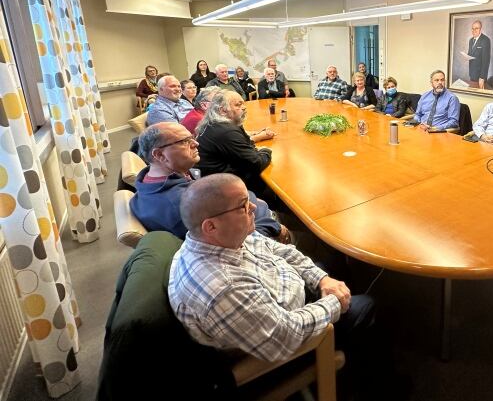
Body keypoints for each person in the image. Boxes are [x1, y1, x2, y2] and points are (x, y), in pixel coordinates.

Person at [168, 174, 374, 365]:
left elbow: (277, 249)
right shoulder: (224, 287)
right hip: (283, 343)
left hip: (282, 294)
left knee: (331, 263)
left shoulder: (219, 239)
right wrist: (335, 302)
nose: (253, 208)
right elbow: (286, 335)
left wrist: (322, 280)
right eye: (242, 206)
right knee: (366, 305)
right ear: (210, 226)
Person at [130, 122, 289, 242]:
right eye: (184, 141)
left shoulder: (150, 180)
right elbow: (236, 243)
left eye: (192, 137)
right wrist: (274, 227)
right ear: (159, 155)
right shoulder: (183, 202)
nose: (196, 143)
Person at [195, 91, 275, 196]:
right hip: (223, 189)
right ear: (222, 111)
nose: (244, 107)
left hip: (213, 180)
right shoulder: (226, 131)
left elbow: (245, 146)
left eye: (243, 103)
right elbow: (256, 163)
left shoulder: (215, 123)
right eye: (238, 105)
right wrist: (266, 151)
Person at [465, 20, 491, 89]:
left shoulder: (485, 40)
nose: (474, 30)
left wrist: (482, 77)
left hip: (480, 76)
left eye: (476, 28)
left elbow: (486, 60)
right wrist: (466, 56)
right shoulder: (471, 40)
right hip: (472, 74)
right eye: (473, 28)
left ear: (480, 29)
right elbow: (470, 54)